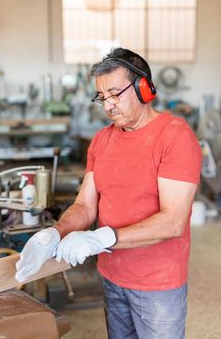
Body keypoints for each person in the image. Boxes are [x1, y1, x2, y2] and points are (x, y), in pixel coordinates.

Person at [15, 47, 202, 339]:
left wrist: (101, 237)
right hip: (113, 277)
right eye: (102, 97)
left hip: (157, 282)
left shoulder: (175, 136)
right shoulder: (102, 140)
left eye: (116, 94)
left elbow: (173, 221)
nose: (108, 106)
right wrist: (55, 232)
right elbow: (85, 206)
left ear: (144, 88)